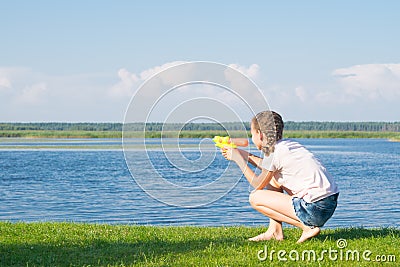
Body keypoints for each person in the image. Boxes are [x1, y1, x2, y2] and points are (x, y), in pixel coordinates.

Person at [221, 111, 339, 243]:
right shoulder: (287, 145)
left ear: (260, 134)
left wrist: (238, 159)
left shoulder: (273, 152)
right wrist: (245, 155)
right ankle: (275, 231)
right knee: (273, 179)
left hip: (315, 208)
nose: (252, 138)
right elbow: (270, 168)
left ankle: (307, 227)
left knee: (255, 197)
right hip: (327, 204)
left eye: (252, 134)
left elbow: (257, 184)